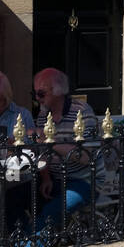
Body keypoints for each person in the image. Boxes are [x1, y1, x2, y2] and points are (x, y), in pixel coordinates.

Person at [31, 67, 96, 230]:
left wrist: (50, 142)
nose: (37, 99)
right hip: (55, 179)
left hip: (83, 181)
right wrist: (46, 177)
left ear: (58, 91)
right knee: (13, 198)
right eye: (35, 94)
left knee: (50, 212)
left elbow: (87, 156)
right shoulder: (43, 116)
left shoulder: (82, 113)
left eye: (41, 93)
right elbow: (43, 153)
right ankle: (21, 241)